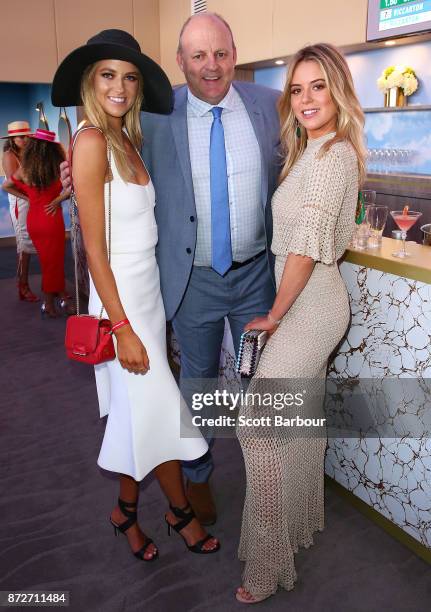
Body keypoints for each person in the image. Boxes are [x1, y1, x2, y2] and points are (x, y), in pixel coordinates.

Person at [59, 12, 281, 525]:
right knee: (196, 389)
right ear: (180, 62)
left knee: (261, 384)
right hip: (191, 284)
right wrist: (77, 169)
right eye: (198, 56)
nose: (211, 66)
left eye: (221, 54)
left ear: (235, 54)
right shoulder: (156, 117)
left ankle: (271, 483)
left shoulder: (270, 106)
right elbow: (102, 170)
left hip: (255, 283)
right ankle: (196, 485)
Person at [51, 29, 219, 561]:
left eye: (128, 77)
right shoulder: (94, 140)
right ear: (89, 81)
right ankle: (179, 513)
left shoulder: (127, 137)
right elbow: (96, 252)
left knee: (139, 415)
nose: (120, 87)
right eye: (107, 75)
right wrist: (121, 327)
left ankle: (126, 511)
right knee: (158, 409)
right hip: (120, 300)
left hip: (145, 295)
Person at [235, 43, 366, 603]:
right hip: (305, 301)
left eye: (319, 86)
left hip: (312, 306)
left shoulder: (334, 155)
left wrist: (274, 316)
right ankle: (298, 524)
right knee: (300, 422)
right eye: (298, 88)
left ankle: (267, 565)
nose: (308, 98)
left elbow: (307, 250)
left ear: (337, 90)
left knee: (258, 428)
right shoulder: (306, 152)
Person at [2, 129, 71, 318]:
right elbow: (72, 188)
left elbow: (6, 185)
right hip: (51, 219)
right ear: (52, 148)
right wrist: (58, 200)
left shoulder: (26, 168)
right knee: (53, 263)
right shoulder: (56, 166)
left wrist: (28, 196)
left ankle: (59, 297)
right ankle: (49, 303)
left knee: (48, 262)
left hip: (34, 219)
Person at [1, 121, 38, 302]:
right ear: (12, 139)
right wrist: (32, 196)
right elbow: (12, 183)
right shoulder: (9, 155)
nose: (24, 139)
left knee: (31, 242)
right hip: (20, 200)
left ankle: (44, 285)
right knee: (24, 243)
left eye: (26, 136)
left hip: (32, 198)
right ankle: (23, 286)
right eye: (20, 137)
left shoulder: (30, 153)